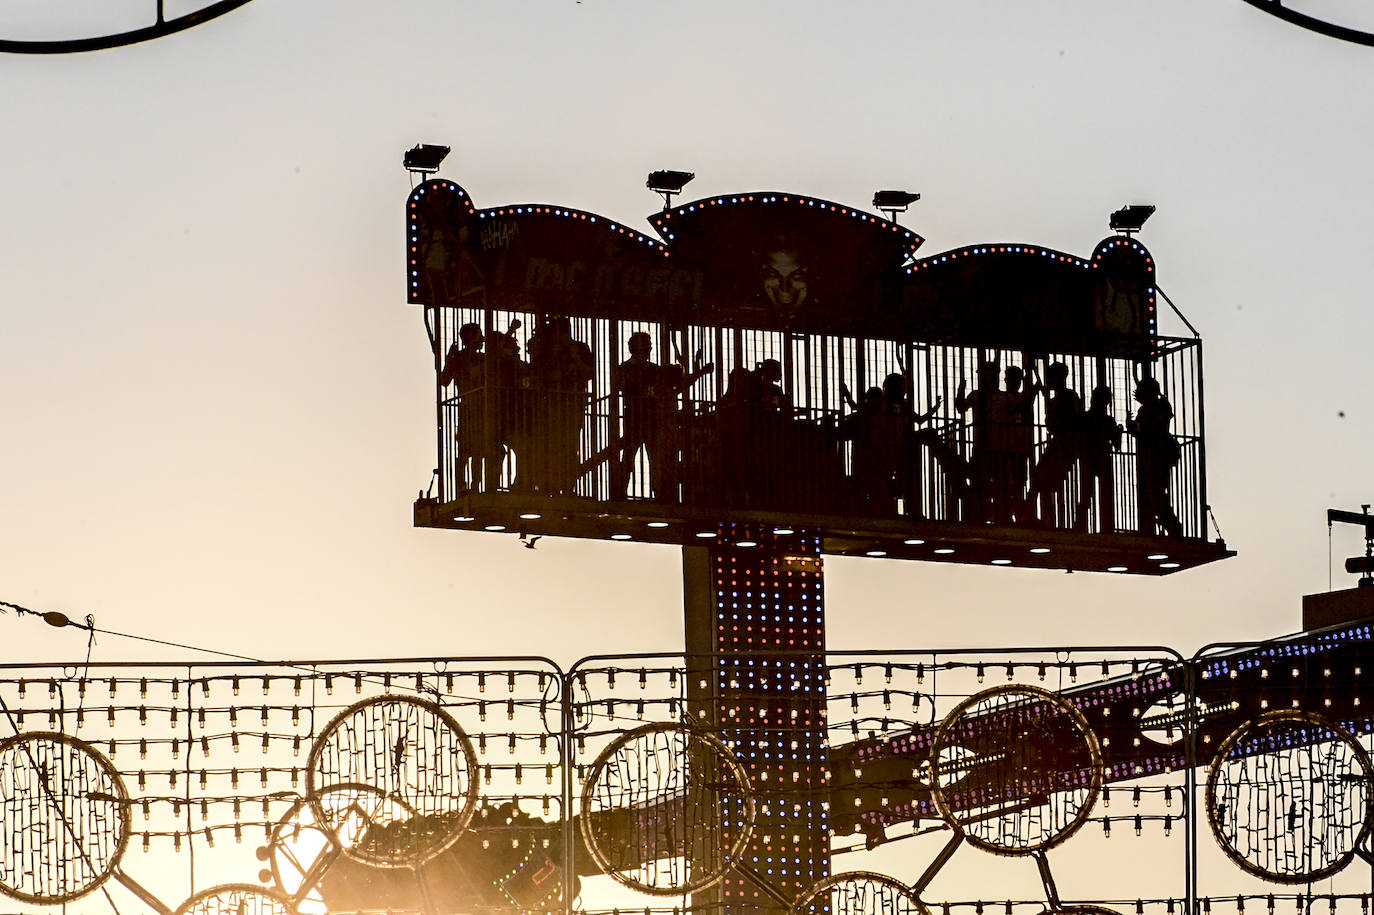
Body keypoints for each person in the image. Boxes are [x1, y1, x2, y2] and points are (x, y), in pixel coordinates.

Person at [524, 316, 594, 495]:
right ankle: (549, 484)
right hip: (551, 406)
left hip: (571, 405)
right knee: (550, 446)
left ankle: (567, 485)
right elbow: (543, 375)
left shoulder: (580, 348)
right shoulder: (548, 352)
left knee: (570, 447)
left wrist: (575, 356)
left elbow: (589, 373)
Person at [440, 323, 501, 492]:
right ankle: (468, 486)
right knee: (470, 451)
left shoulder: (466, 358)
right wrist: (448, 361)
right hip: (472, 409)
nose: (482, 339)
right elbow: (444, 381)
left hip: (474, 408)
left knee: (473, 451)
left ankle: (468, 486)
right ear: (472, 338)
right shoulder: (465, 358)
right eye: (479, 335)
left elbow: (444, 380)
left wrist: (448, 361)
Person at [1127, 376, 1183, 536]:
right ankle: (1157, 526)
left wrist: (1137, 425)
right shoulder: (1148, 408)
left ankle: (1171, 527)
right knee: (1150, 493)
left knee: (1155, 492)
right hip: (1150, 455)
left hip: (1158, 454)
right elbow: (1143, 430)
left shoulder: (1160, 405)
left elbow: (1157, 425)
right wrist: (1132, 427)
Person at [1029, 362, 1083, 527]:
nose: (1048, 380)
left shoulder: (1068, 397)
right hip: (1061, 443)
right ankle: (1042, 517)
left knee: (1045, 479)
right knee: (1042, 478)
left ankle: (1046, 518)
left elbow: (1067, 421)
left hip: (1064, 444)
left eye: (1050, 376)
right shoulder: (1066, 397)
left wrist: (1052, 408)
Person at [1077, 385, 1122, 532]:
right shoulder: (1108, 420)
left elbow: (1080, 438)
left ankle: (1082, 526)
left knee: (1086, 492)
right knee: (1104, 493)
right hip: (1102, 456)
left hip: (1088, 457)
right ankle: (1106, 526)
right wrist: (1119, 432)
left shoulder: (1084, 417)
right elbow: (1116, 444)